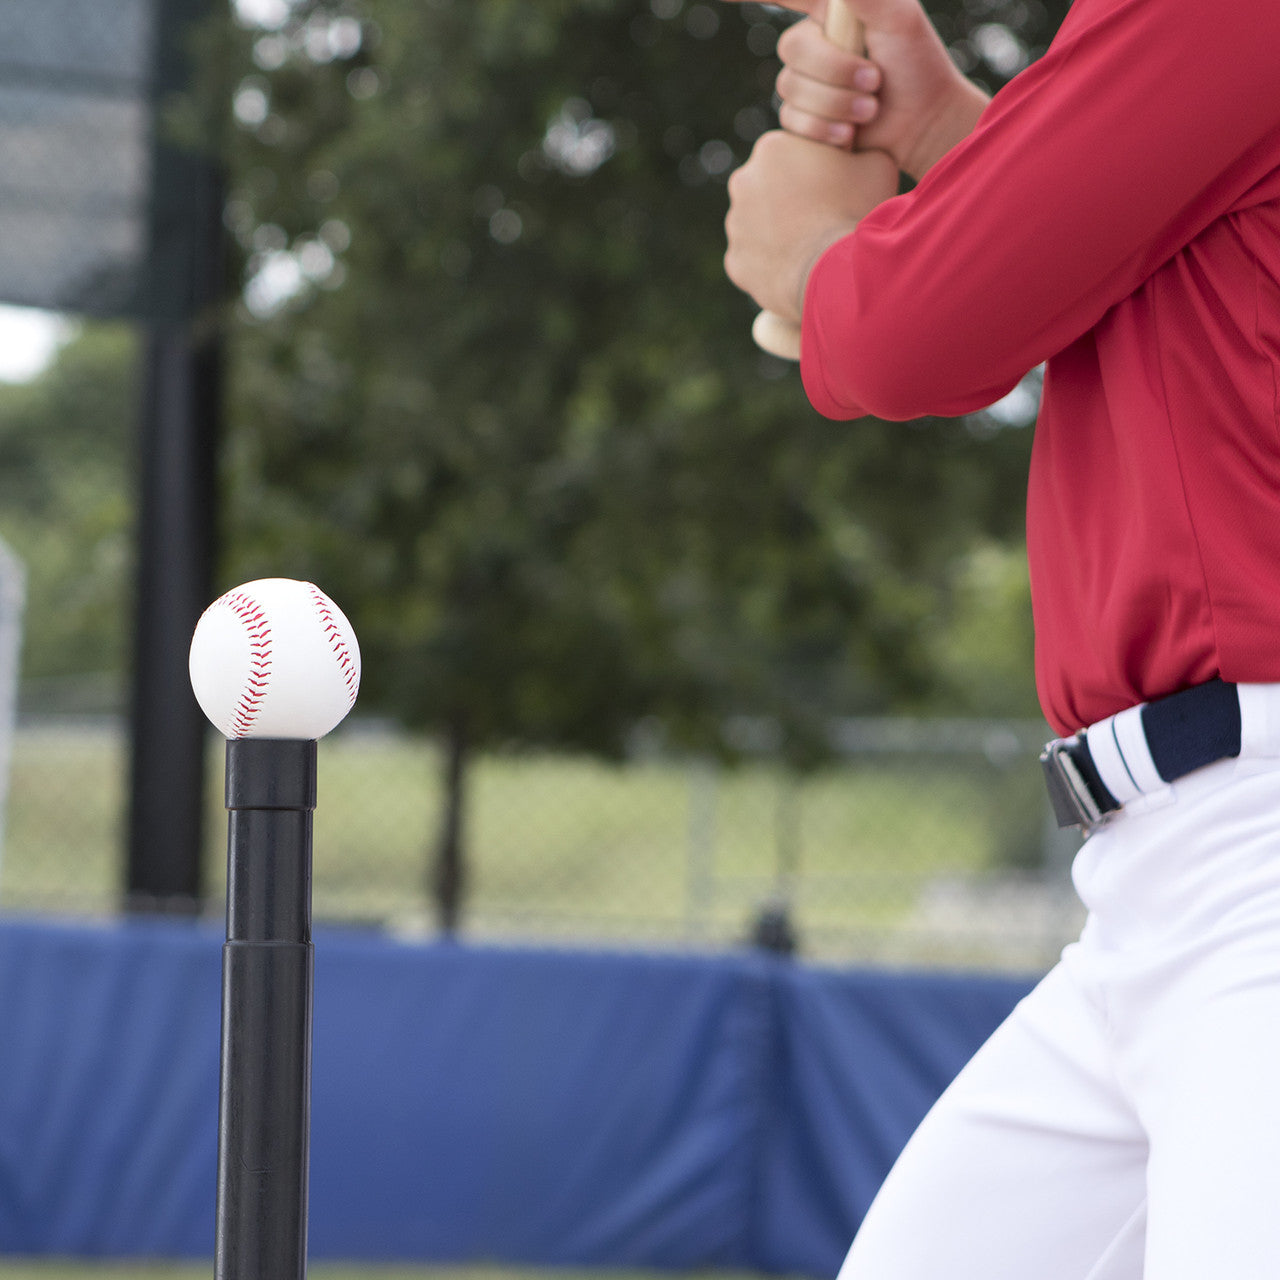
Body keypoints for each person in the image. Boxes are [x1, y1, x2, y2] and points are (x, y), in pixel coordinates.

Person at [722, 0, 1280, 1276]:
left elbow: (920, 330)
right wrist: (939, 134)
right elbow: (1147, 272)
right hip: (1162, 882)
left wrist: (812, 260)